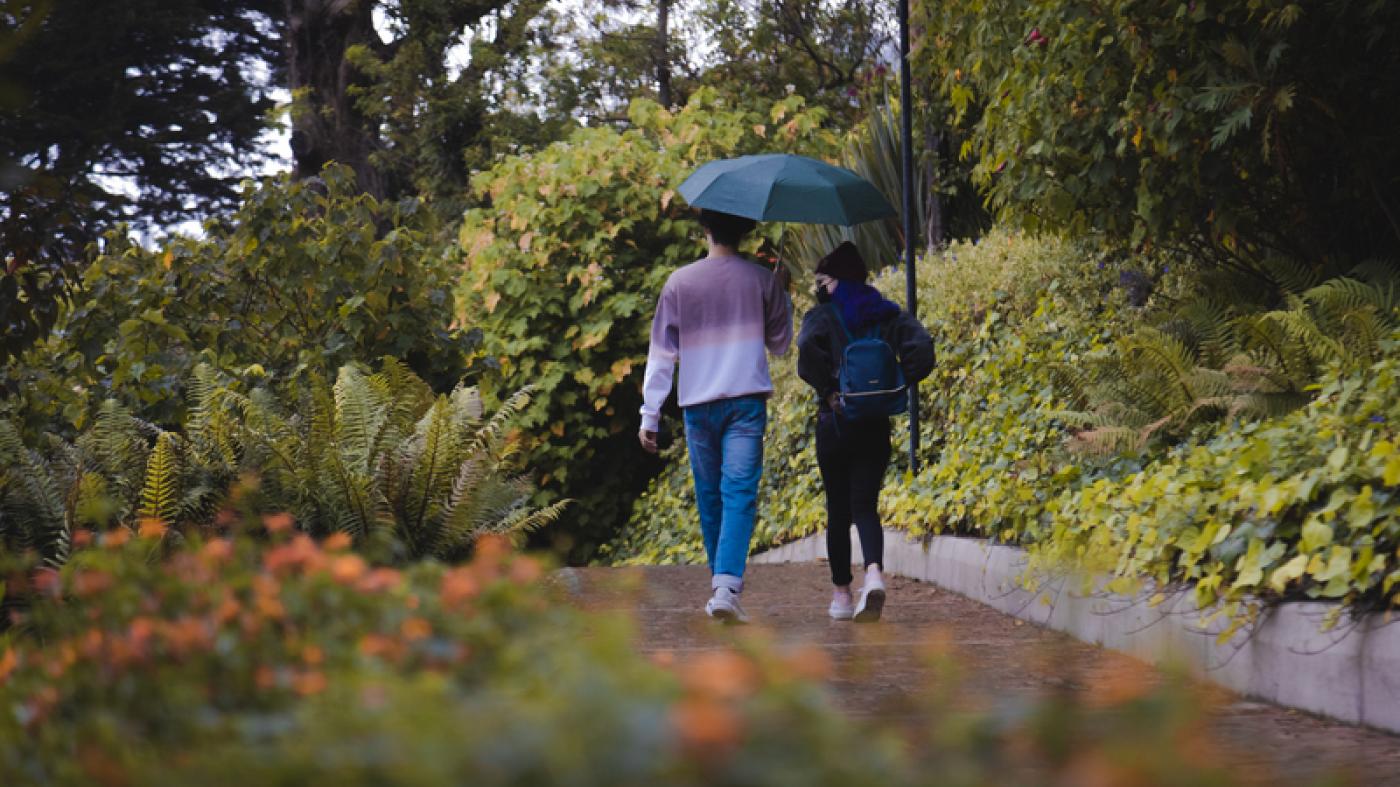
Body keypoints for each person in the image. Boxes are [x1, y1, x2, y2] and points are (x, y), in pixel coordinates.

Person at [639, 209, 793, 623]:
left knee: (711, 497)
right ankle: (724, 586)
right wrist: (782, 295)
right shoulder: (762, 280)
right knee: (738, 492)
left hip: (697, 406)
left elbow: (661, 354)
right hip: (745, 402)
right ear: (744, 231)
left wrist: (649, 414)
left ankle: (722, 585)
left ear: (704, 229)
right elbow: (780, 344)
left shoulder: (678, 283)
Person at [796, 241, 934, 622]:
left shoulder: (821, 317)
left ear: (836, 281)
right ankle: (874, 572)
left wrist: (827, 390)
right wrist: (899, 382)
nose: (821, 288)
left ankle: (842, 594)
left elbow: (806, 351)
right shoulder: (887, 313)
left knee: (837, 510)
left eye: (823, 280)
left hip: (835, 424)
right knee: (865, 507)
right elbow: (923, 348)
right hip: (875, 425)